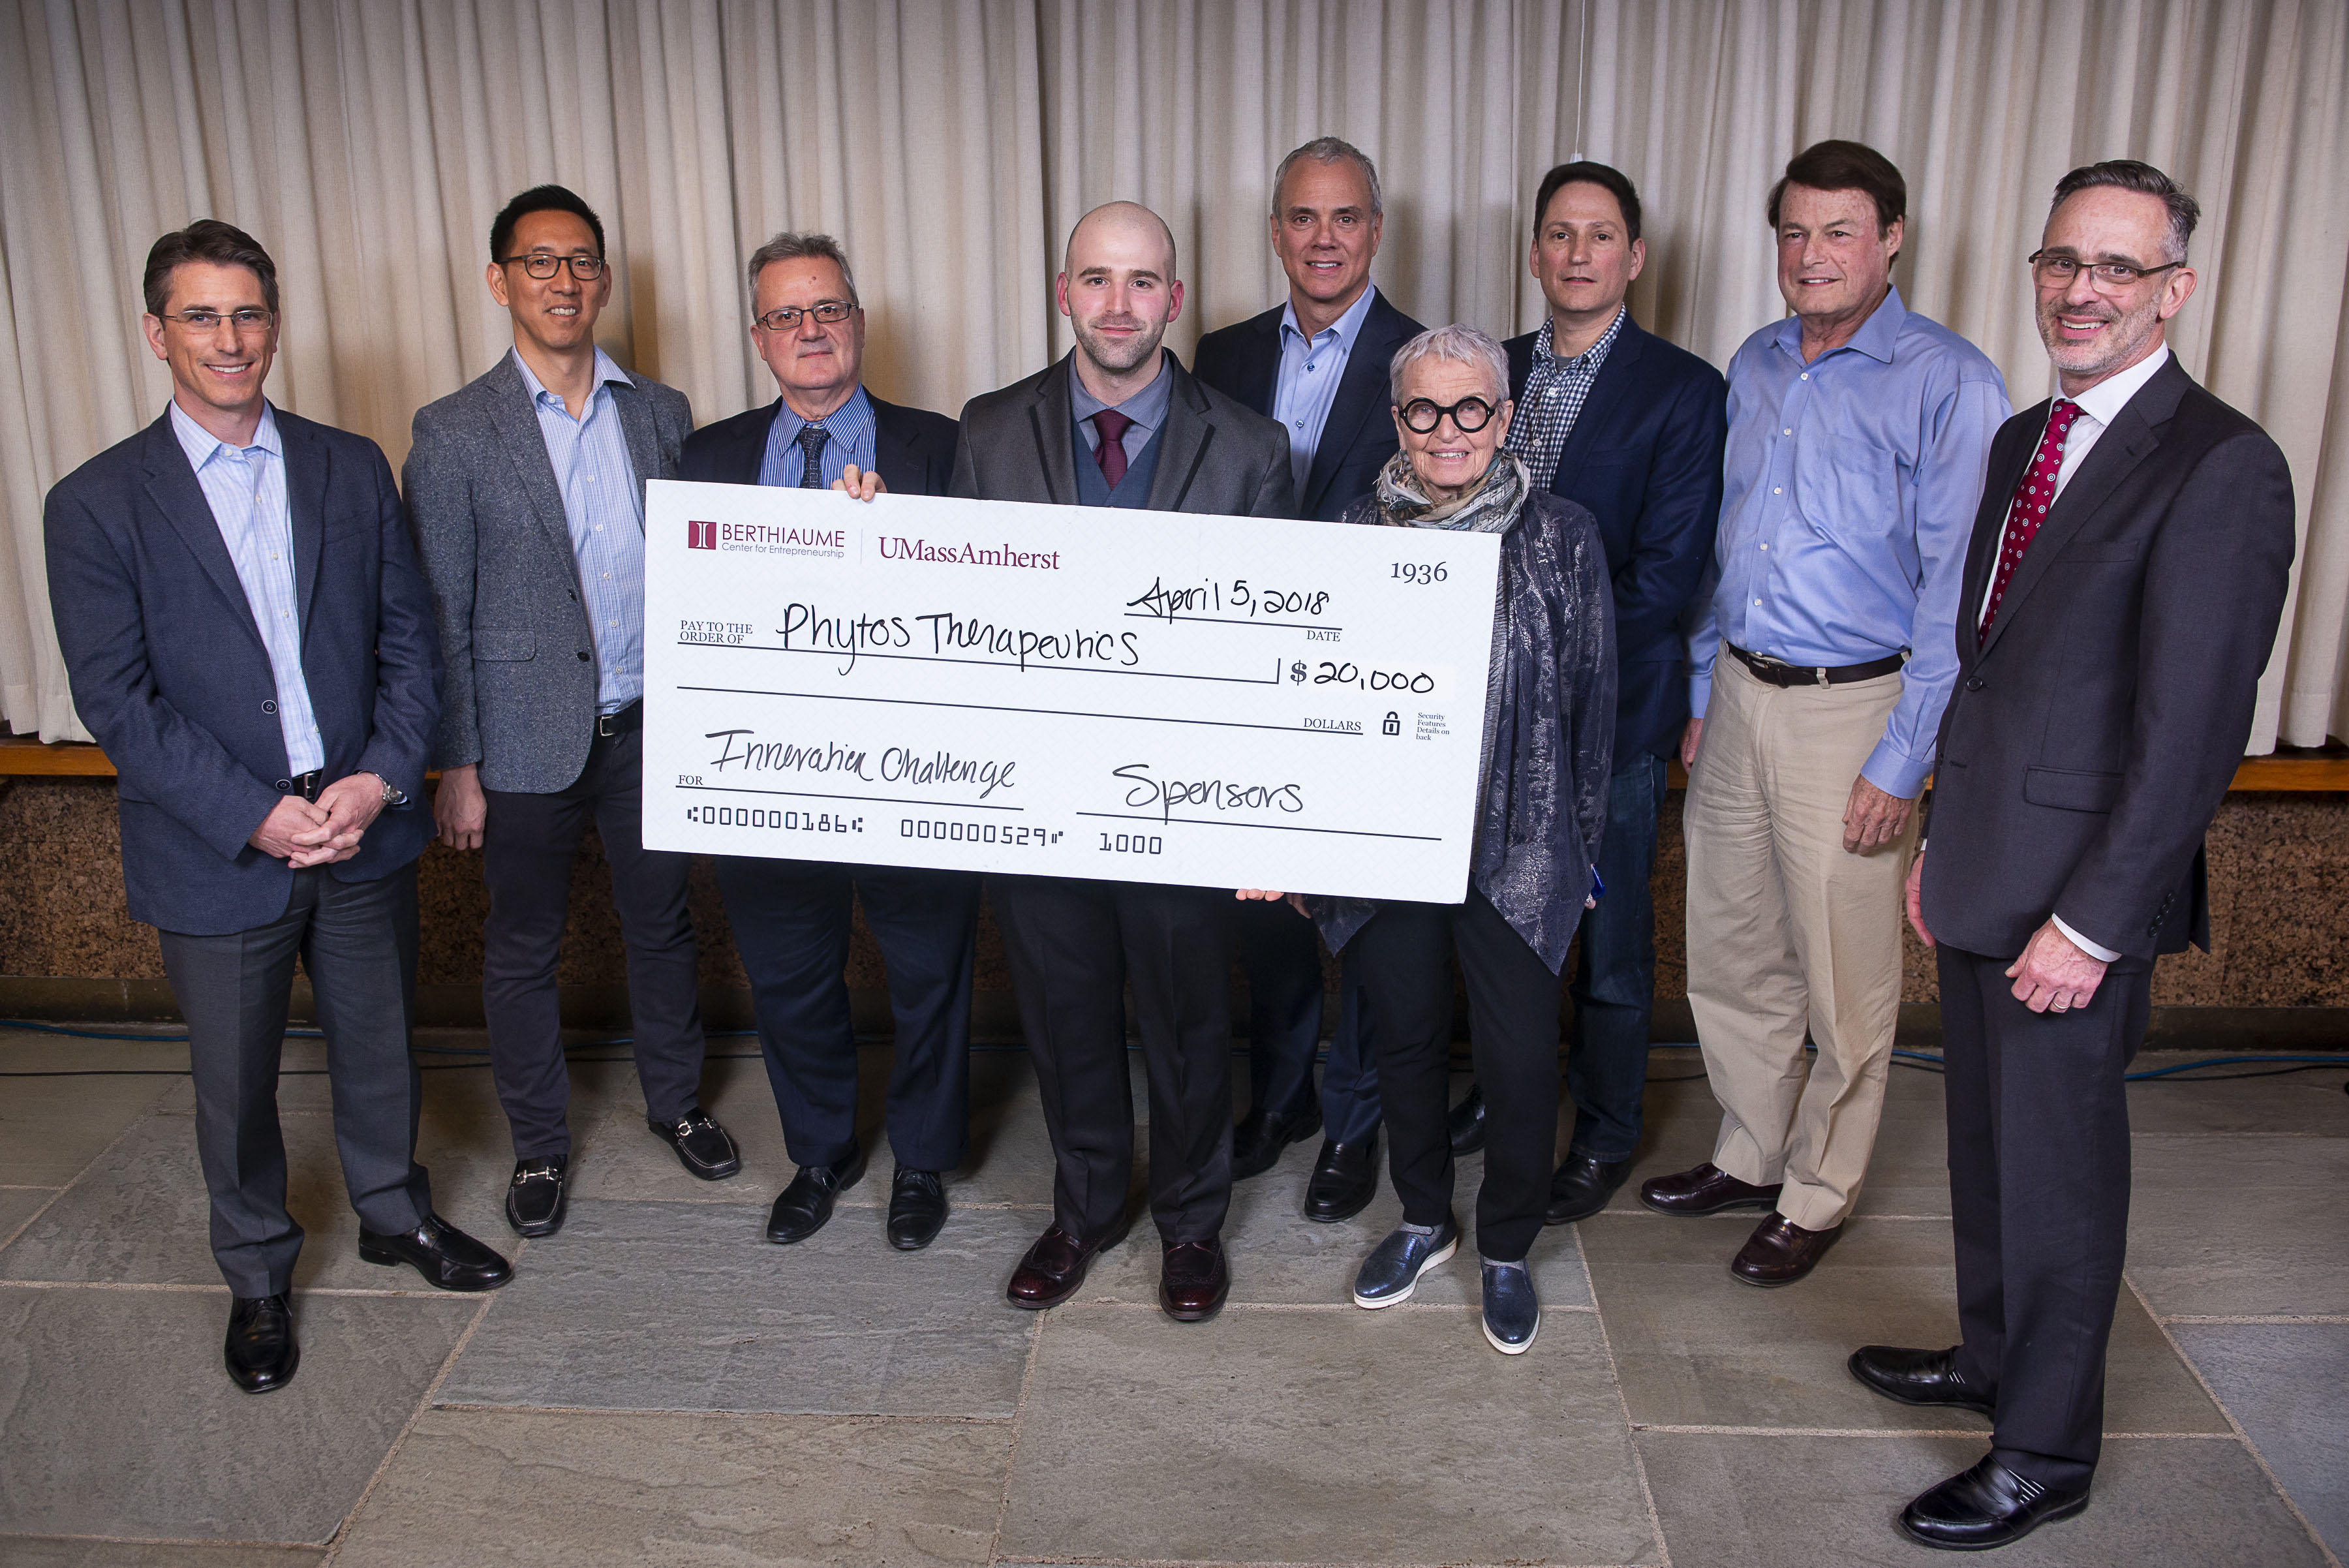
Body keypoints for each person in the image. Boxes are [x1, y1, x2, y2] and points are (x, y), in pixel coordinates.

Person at [1853, 161, 2294, 1551]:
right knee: (1988, 1156)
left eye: (2117, 267)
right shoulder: (2022, 438)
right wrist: (1943, 843)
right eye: (2063, 261)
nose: (2082, 290)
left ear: (2176, 289)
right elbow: (1991, 672)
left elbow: (2192, 734)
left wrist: (2095, 922)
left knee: (2058, 1180)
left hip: (2079, 902)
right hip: (1987, 865)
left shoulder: (2222, 464)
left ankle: (2043, 1451)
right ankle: (1995, 1360)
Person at [44, 221, 510, 1394]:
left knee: (381, 1046)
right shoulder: (94, 503)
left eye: (247, 313)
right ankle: (256, 1274)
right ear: (156, 334)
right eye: (201, 316)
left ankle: (394, 1214)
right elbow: (118, 702)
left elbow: (410, 644)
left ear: (276, 324)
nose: (229, 338)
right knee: (236, 1083)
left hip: (358, 821)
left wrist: (380, 778)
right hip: (223, 847)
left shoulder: (349, 465)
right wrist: (252, 812)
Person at [1647, 141, 2009, 1285]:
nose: (1813, 255)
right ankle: (1751, 1152)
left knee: (1847, 983)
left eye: (1840, 231)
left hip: (1857, 708)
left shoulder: (1951, 382)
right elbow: (1725, 546)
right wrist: (1702, 691)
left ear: (1891, 238)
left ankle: (1817, 1192)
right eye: (1795, 233)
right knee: (1733, 947)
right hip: (1738, 694)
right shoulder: (1755, 363)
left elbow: (1959, 594)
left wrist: (1904, 759)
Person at [953, 201, 1295, 1322]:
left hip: (1179, 799)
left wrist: (1258, 817)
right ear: (1064, 293)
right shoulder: (988, 431)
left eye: (1142, 282)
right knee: (1065, 1011)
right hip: (1035, 792)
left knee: (1189, 1021)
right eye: (1096, 279)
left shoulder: (1249, 447)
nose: (1118, 303)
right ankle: (1087, 1209)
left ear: (1174, 300)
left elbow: (1272, 652)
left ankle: (1190, 1223)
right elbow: (949, 605)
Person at [1263, 324, 1612, 1355]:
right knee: (1404, 1041)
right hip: (1388, 843)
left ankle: (1506, 1245)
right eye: (1425, 408)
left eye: (1470, 409)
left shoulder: (1562, 535)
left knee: (1519, 1059)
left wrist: (1582, 848)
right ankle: (1424, 1219)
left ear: (1503, 419)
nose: (1448, 429)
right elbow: (1313, 699)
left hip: (1522, 841)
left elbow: (1593, 703)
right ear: (1398, 419)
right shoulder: (1349, 532)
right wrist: (1307, 839)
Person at [406, 185, 732, 1242]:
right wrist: (457, 763)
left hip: (648, 725)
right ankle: (540, 1144)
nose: (563, 280)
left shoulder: (661, 412)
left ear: (603, 280)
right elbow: (440, 608)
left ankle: (677, 1103)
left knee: (664, 926)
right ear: (499, 281)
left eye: (581, 260)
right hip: (520, 737)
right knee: (521, 948)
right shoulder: (453, 431)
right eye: (539, 261)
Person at [679, 232, 975, 1252]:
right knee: (790, 974)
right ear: (758, 336)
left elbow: (990, 610)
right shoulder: (707, 459)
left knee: (930, 971)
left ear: (858, 322)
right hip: (761, 769)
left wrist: (898, 549)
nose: (810, 330)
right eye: (786, 314)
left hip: (913, 768)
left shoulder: (945, 450)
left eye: (828, 309)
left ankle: (923, 1161)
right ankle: (820, 1153)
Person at [1444, 160, 1727, 1225]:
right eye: (1559, 234)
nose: (1578, 253)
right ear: (1534, 255)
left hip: (1610, 720)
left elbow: (1667, 576)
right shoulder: (1492, 369)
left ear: (1635, 257)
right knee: (1502, 929)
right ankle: (1507, 1090)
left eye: (1600, 235)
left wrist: (1544, 670)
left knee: (1609, 946)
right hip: (1484, 721)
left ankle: (1606, 1130)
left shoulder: (1684, 390)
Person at [1191, 136, 1424, 1222]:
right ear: (1276, 232)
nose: (1323, 238)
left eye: (1344, 217)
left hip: (1364, 682)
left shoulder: (1425, 360)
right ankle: (1280, 1097)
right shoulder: (1221, 353)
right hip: (1246, 683)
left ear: (1375, 231)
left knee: (1366, 916)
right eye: (1302, 217)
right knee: (1265, 911)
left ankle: (1353, 1121)